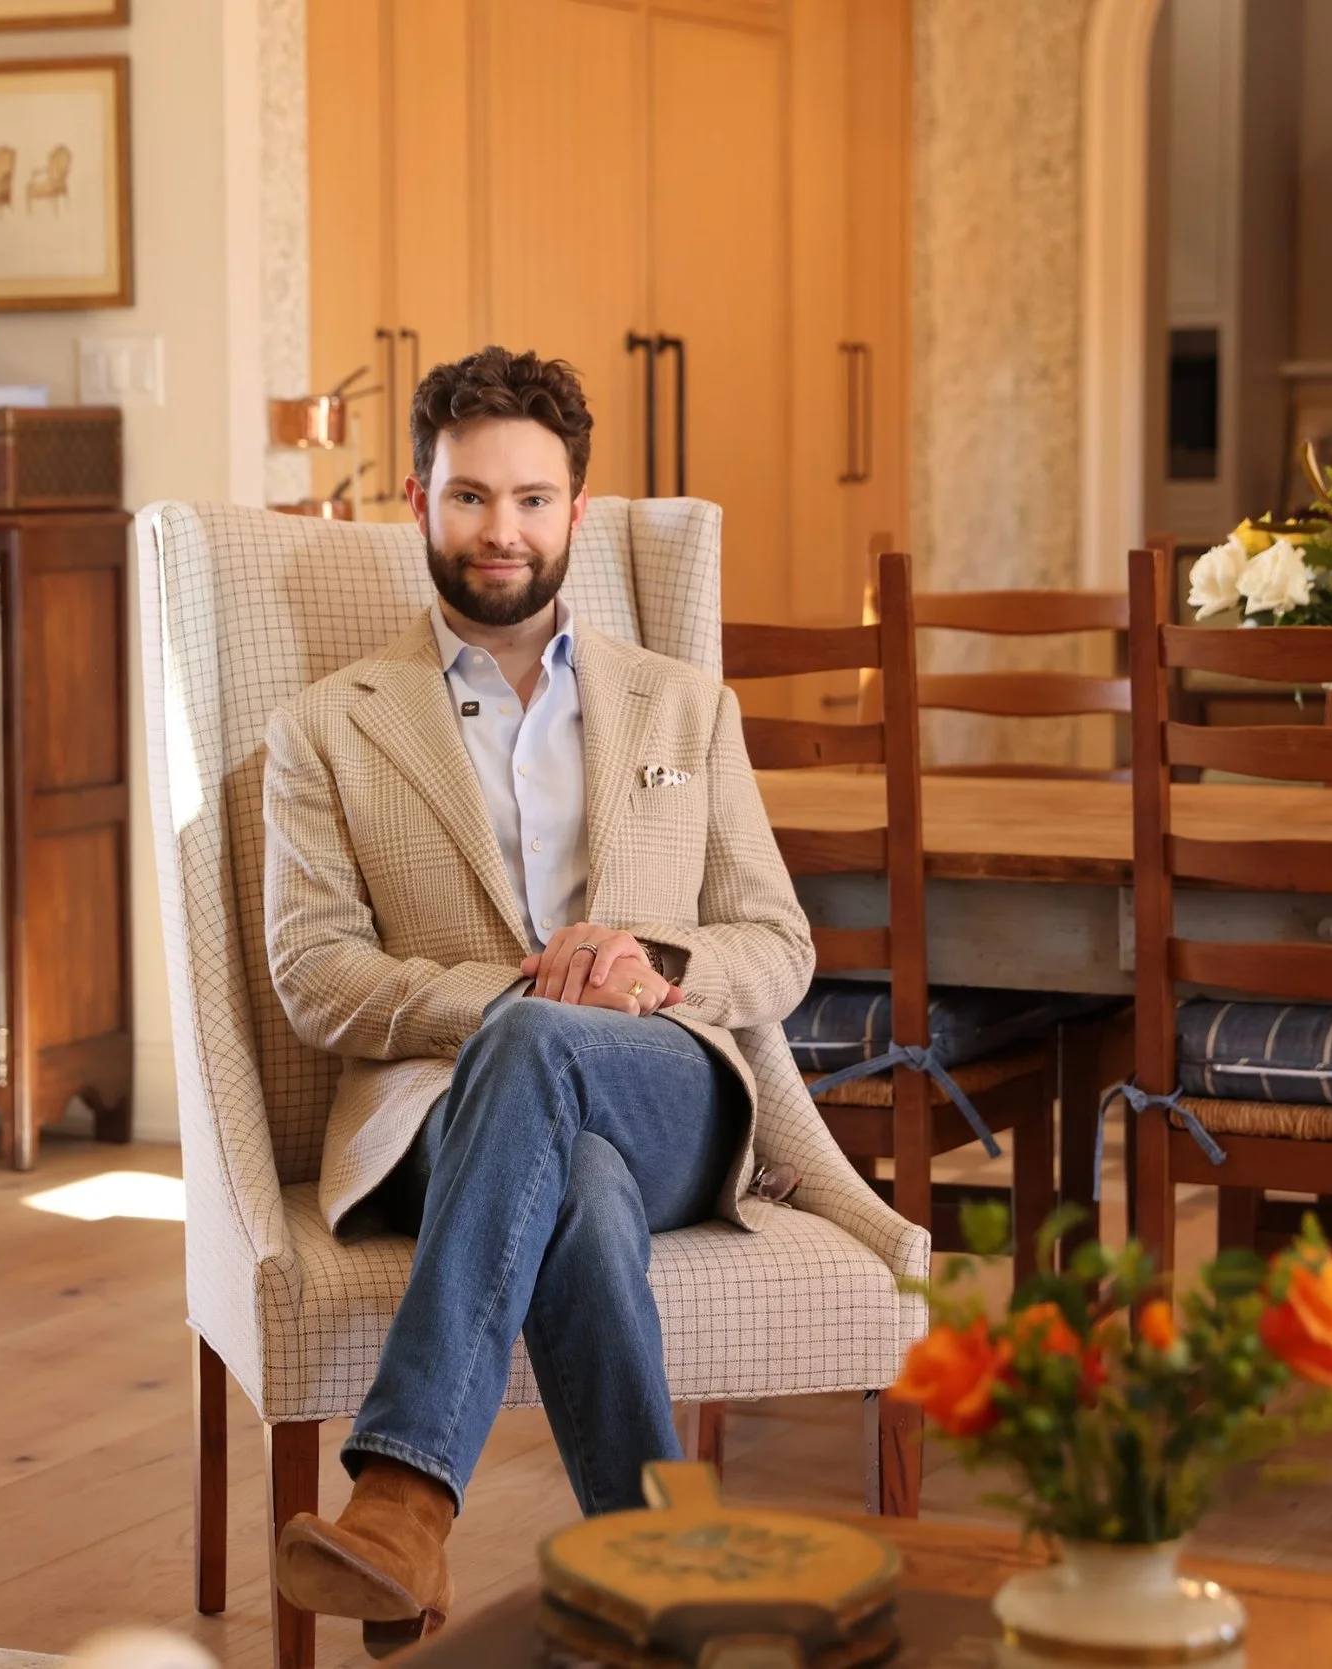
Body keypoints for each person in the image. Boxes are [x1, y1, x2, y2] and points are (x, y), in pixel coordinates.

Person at [261, 345, 816, 1650]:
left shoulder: (685, 708)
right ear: (419, 502)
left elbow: (781, 945)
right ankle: (670, 1578)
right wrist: (521, 994)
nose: (499, 530)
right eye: (469, 497)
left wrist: (653, 967)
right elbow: (314, 975)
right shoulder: (327, 729)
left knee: (561, 1081)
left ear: (578, 509)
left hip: (666, 1088)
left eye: (529, 499)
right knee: (577, 1189)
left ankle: (404, 1497)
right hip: (440, 1117)